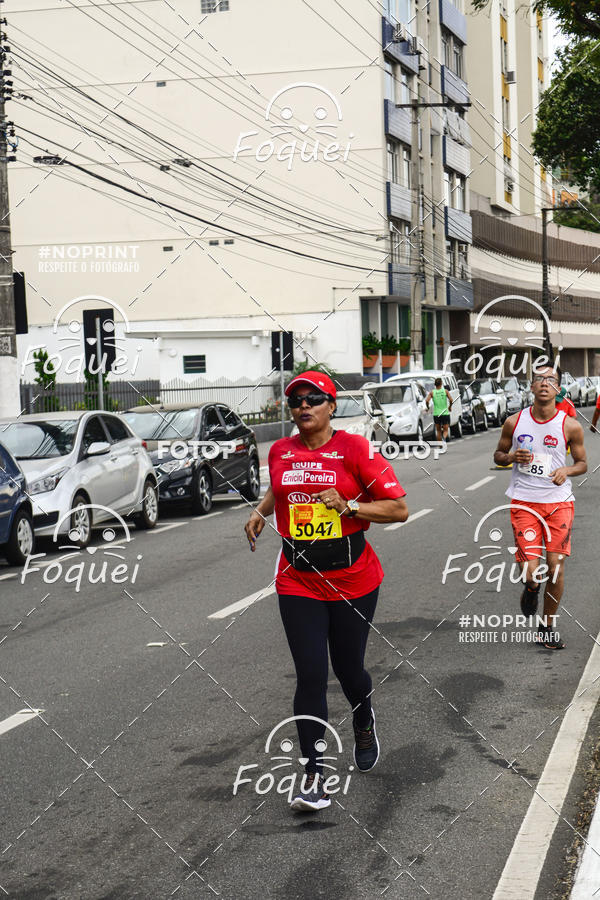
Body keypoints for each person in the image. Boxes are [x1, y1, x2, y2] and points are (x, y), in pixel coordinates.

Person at [244, 371, 409, 812]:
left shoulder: (356, 449)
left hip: (352, 579)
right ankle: (314, 777)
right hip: (298, 579)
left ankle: (363, 717)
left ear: (332, 406)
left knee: (349, 670)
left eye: (313, 398)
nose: (303, 405)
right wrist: (262, 511)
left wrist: (350, 506)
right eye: (296, 399)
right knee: (311, 675)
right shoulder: (280, 450)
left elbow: (399, 509)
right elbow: (280, 488)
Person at [493, 366, 587, 650]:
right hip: (525, 502)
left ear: (558, 388)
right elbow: (498, 455)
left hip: (559, 503)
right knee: (531, 572)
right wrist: (511, 456)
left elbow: (582, 463)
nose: (545, 384)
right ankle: (531, 587)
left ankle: (546, 627)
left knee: (555, 567)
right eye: (539, 379)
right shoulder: (514, 422)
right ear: (531, 387)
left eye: (551, 380)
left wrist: (566, 471)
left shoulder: (570, 425)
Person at [426, 377, 453, 443]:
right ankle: (443, 438)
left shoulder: (432, 392)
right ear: (441, 383)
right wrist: (450, 407)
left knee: (438, 431)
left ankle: (440, 445)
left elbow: (427, 401)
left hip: (436, 414)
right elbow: (451, 399)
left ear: (435, 384)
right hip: (445, 413)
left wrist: (428, 407)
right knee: (445, 430)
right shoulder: (445, 391)